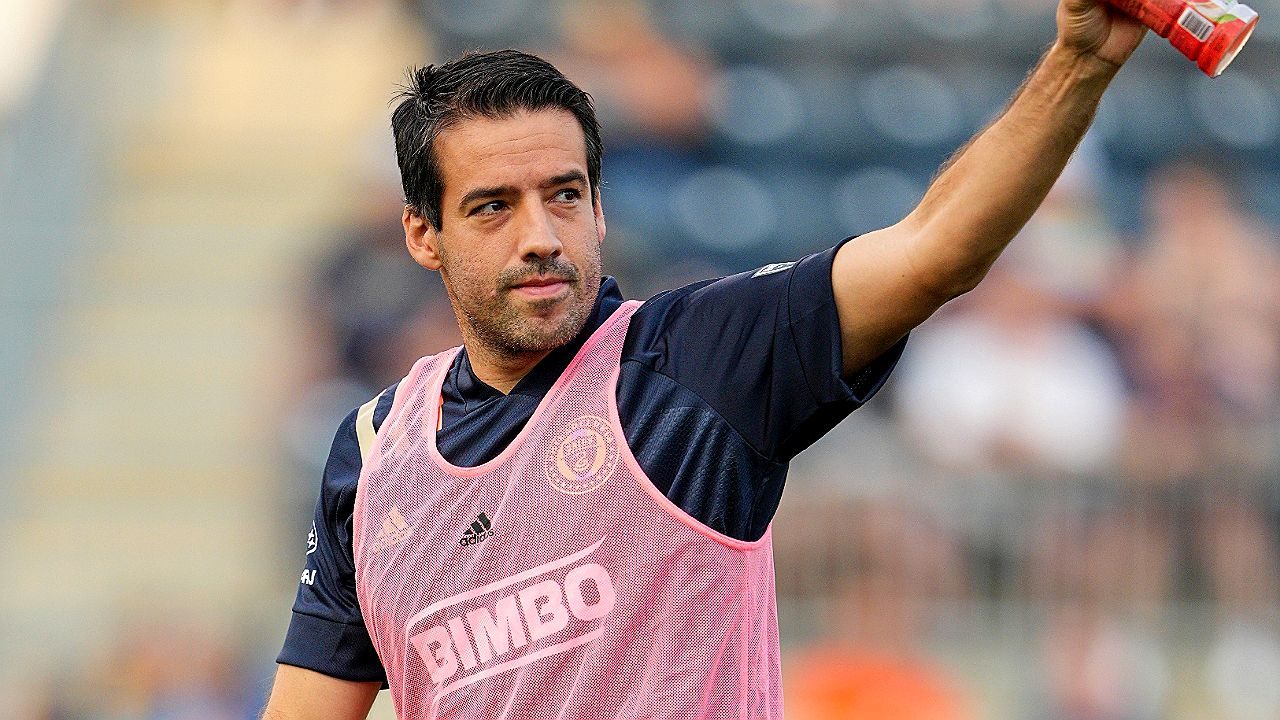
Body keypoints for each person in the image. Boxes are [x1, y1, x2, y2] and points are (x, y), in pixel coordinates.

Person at [263, 2, 1147, 717]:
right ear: (424, 234)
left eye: (564, 196)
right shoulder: (374, 455)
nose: (540, 236)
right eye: (493, 207)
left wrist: (1078, 64)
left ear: (600, 209)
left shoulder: (695, 359)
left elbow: (934, 250)